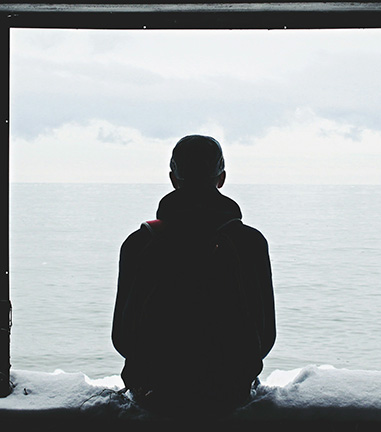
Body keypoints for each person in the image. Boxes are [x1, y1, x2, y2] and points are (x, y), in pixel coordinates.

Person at [112, 135, 276, 417]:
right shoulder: (250, 242)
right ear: (221, 178)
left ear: (173, 179)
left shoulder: (139, 243)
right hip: (229, 391)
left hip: (155, 392)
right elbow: (265, 337)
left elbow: (122, 338)